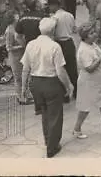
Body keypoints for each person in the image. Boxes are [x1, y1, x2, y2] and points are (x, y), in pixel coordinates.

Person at [21, 17, 74, 158]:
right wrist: (68, 86)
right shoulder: (55, 46)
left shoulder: (30, 44)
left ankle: (47, 139)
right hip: (51, 83)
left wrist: (23, 87)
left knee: (44, 112)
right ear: (53, 30)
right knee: (55, 115)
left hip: (36, 83)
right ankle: (52, 147)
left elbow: (25, 68)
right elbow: (60, 71)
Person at [48, 0, 79, 100]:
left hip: (59, 43)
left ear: (54, 5)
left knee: (60, 70)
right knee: (72, 68)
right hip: (69, 42)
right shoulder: (69, 15)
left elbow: (51, 33)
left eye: (50, 6)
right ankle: (77, 91)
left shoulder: (54, 18)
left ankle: (65, 93)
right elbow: (74, 29)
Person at [5, 11, 33, 105]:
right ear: (13, 18)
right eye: (16, 15)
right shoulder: (9, 30)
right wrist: (21, 46)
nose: (18, 17)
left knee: (25, 76)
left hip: (21, 55)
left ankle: (26, 95)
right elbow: (8, 47)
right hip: (15, 57)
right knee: (18, 78)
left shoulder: (17, 28)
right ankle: (20, 98)